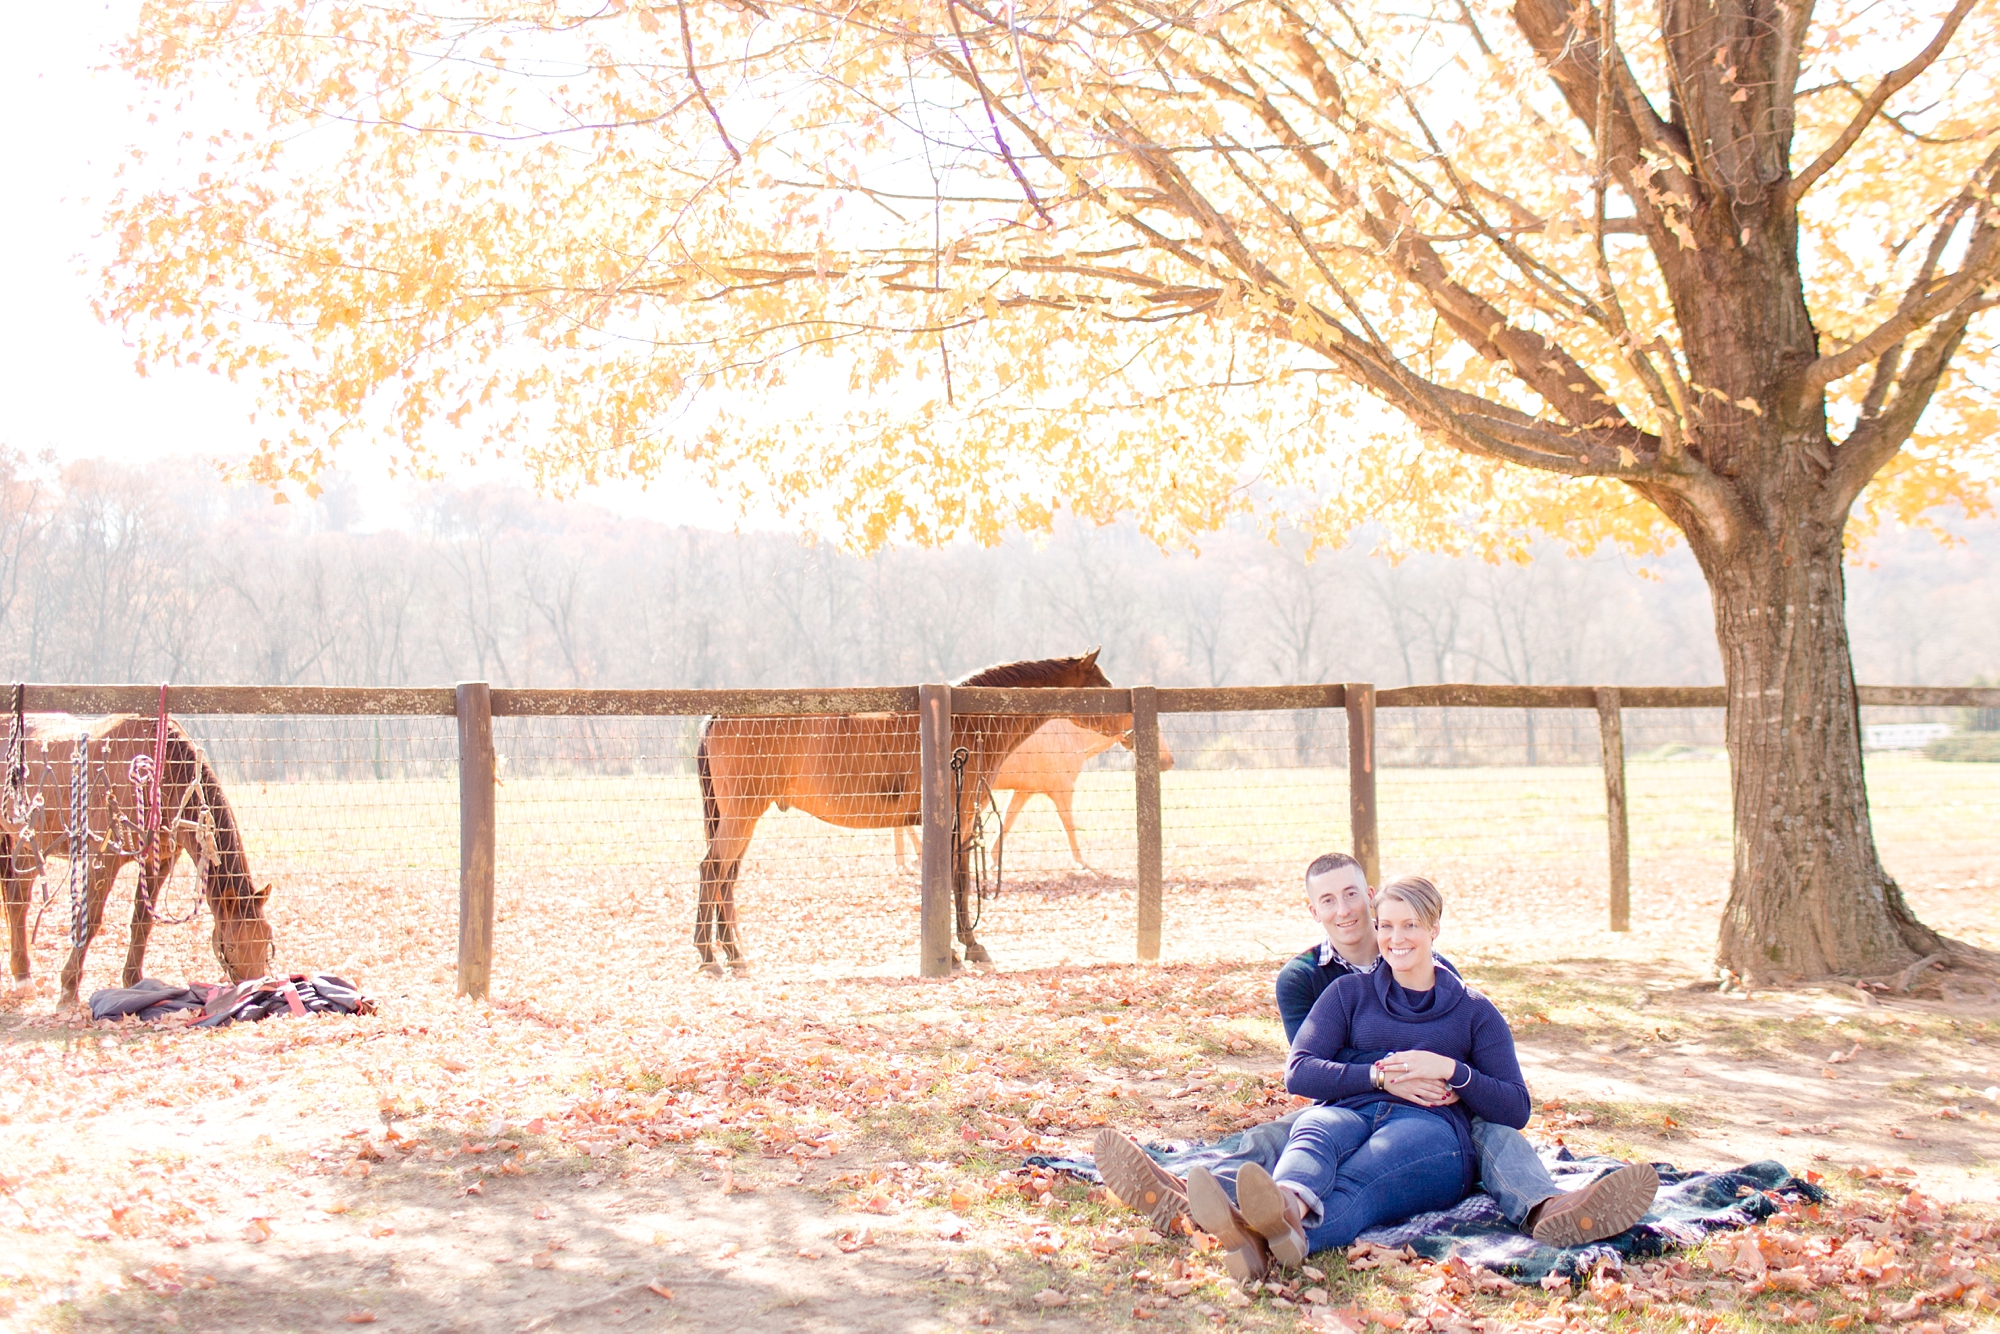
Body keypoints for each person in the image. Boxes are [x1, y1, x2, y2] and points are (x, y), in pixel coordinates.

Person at [1095, 857, 1656, 1277]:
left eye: (1408, 925)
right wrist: (1386, 1075)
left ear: (1434, 929)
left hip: (1434, 1131)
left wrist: (1449, 1070)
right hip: (1352, 1104)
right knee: (1312, 1129)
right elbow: (1301, 1072)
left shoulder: (1473, 1010)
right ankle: (1278, 1214)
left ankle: (1265, 1236)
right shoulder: (1343, 993)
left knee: (1367, 1173)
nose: (1394, 937)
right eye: (1386, 926)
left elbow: (1514, 1107)